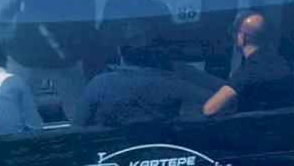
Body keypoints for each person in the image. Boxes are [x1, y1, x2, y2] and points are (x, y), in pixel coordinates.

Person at [74, 22, 205, 128]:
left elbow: (78, 125)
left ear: (119, 49)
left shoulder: (100, 84)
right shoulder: (170, 82)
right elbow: (214, 101)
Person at [202, 11, 293, 116]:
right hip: (274, 114)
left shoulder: (249, 70)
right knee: (188, 72)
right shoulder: (277, 59)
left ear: (242, 37)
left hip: (249, 120)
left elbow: (209, 110)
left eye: (234, 32)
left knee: (186, 84)